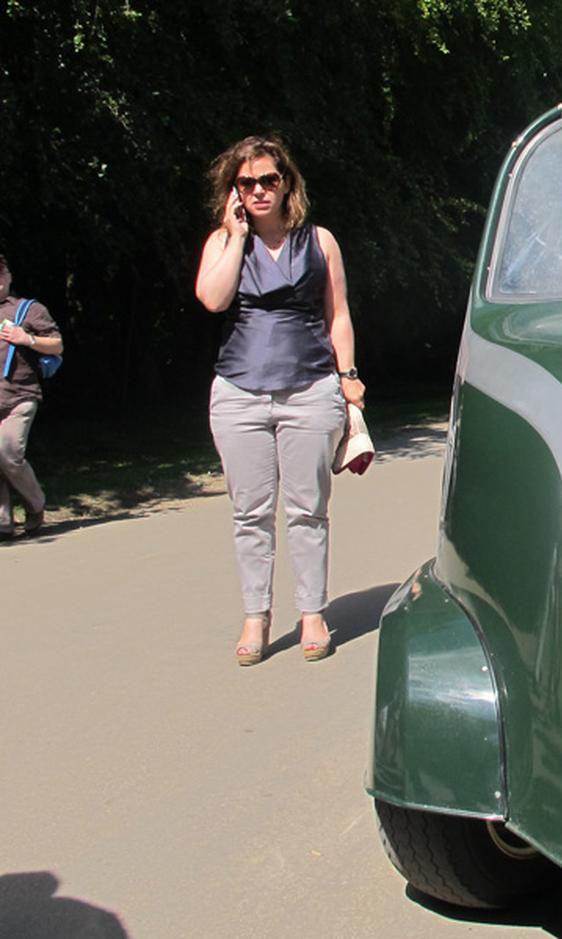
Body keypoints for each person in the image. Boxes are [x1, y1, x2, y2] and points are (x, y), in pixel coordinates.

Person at [194, 135, 365, 665]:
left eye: (269, 179)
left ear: (287, 182)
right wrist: (235, 235)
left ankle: (312, 613)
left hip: (310, 389)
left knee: (308, 510)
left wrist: (349, 376)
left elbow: (337, 313)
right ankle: (256, 616)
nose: (259, 190)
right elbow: (213, 298)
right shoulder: (223, 243)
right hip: (238, 392)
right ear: (234, 191)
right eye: (247, 183)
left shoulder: (320, 241)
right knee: (250, 513)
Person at [0, 253, 63, 538]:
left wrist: (28, 340)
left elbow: (57, 345)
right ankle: (2, 522)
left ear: (9, 276)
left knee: (9, 452)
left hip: (20, 396)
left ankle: (36, 504)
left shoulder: (28, 310)